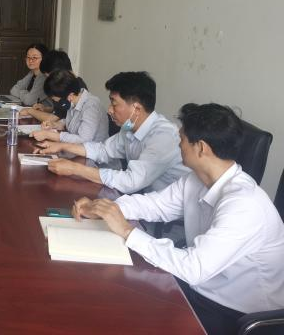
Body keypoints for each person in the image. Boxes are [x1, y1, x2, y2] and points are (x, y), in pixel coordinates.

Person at [72, 103, 284, 335]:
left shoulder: (245, 204)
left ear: (201, 148)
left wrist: (126, 231)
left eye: (181, 138)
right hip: (200, 288)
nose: (178, 144)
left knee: (131, 316)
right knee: (116, 295)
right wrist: (104, 208)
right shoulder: (197, 179)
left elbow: (194, 268)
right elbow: (155, 205)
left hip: (235, 312)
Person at [36, 71, 189, 194]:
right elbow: (104, 150)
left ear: (136, 108)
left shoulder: (163, 136)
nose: (109, 110)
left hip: (167, 216)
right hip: (143, 201)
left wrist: (75, 169)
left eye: (114, 103)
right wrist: (62, 146)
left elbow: (131, 181)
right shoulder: (129, 126)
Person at [30, 70, 108, 144]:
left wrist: (49, 135)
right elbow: (71, 123)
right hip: (74, 148)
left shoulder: (91, 106)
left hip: (89, 152)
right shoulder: (74, 100)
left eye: (55, 99)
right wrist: (54, 125)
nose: (55, 102)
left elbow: (83, 140)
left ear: (70, 95)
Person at [20, 49, 86, 123]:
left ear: (58, 73)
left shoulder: (70, 87)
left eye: (49, 77)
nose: (49, 81)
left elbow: (52, 119)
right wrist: (46, 109)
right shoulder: (72, 82)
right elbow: (63, 111)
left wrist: (30, 111)